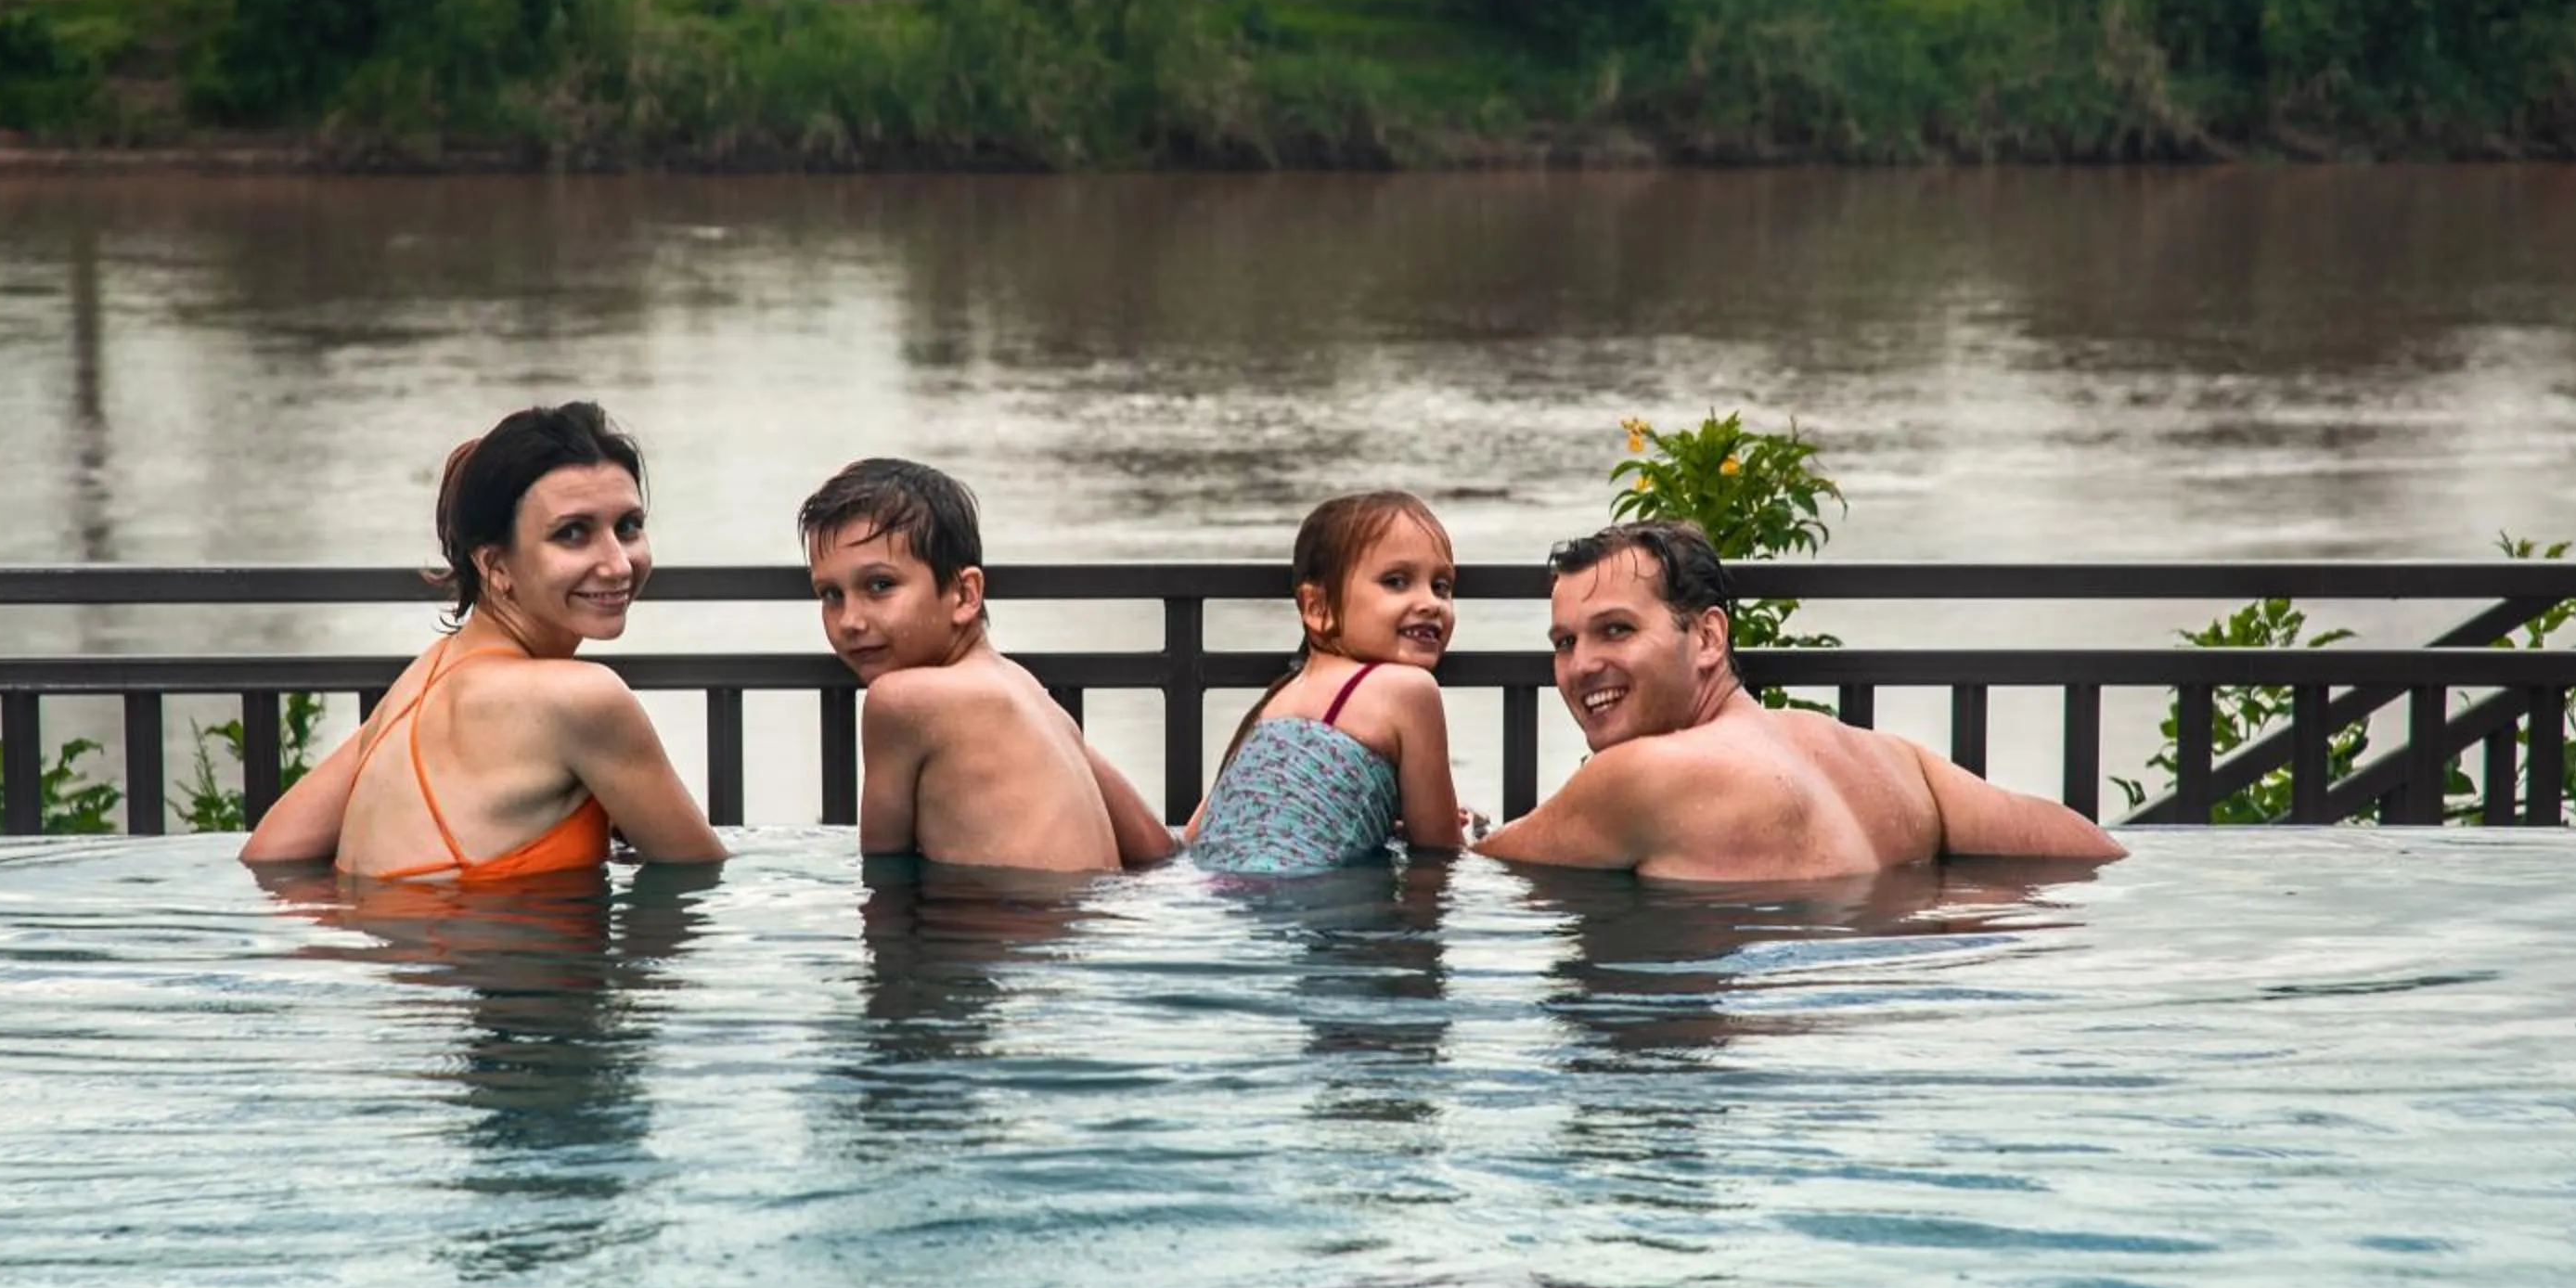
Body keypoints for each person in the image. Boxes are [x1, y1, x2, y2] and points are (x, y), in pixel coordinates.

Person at [1475, 520, 2124, 881]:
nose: (1582, 666)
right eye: (1564, 642)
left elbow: (1475, 880)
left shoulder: (1637, 777)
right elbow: (2088, 848)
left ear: (1707, 636)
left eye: (1617, 630)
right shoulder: (1889, 760)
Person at [241, 400, 729, 877]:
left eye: (628, 527)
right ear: (495, 565)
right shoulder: (585, 699)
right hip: (497, 953)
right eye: (573, 533)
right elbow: (701, 881)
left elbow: (272, 851)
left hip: (401, 954)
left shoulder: (420, 683)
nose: (618, 563)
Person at [800, 457, 1173, 871]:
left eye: (880, 586)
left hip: (1007, 924)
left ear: (964, 595)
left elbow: (884, 876)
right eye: (831, 595)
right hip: (1095, 919)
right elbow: (1155, 846)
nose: (850, 620)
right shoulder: (1026, 692)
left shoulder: (898, 701)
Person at [1187, 491, 1468, 873]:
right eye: (1397, 581)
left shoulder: (1277, 699)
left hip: (1219, 898)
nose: (1430, 603)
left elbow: (1195, 835)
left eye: (1442, 587)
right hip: (1313, 906)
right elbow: (1440, 850)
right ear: (1317, 609)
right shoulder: (1410, 691)